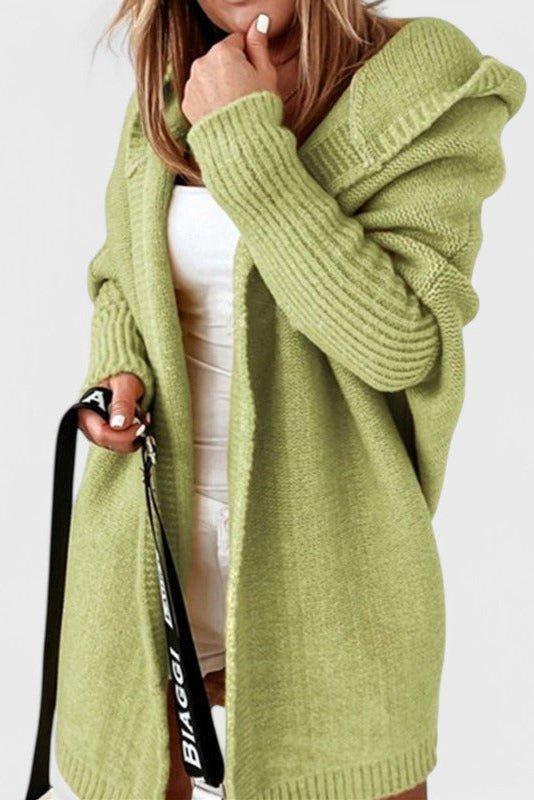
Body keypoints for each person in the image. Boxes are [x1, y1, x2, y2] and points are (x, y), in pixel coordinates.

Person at [49, 2, 525, 799]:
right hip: (150, 550)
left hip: (334, 571)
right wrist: (116, 371)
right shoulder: (174, 83)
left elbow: (399, 346)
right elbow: (121, 279)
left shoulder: (426, 82)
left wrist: (244, 141)